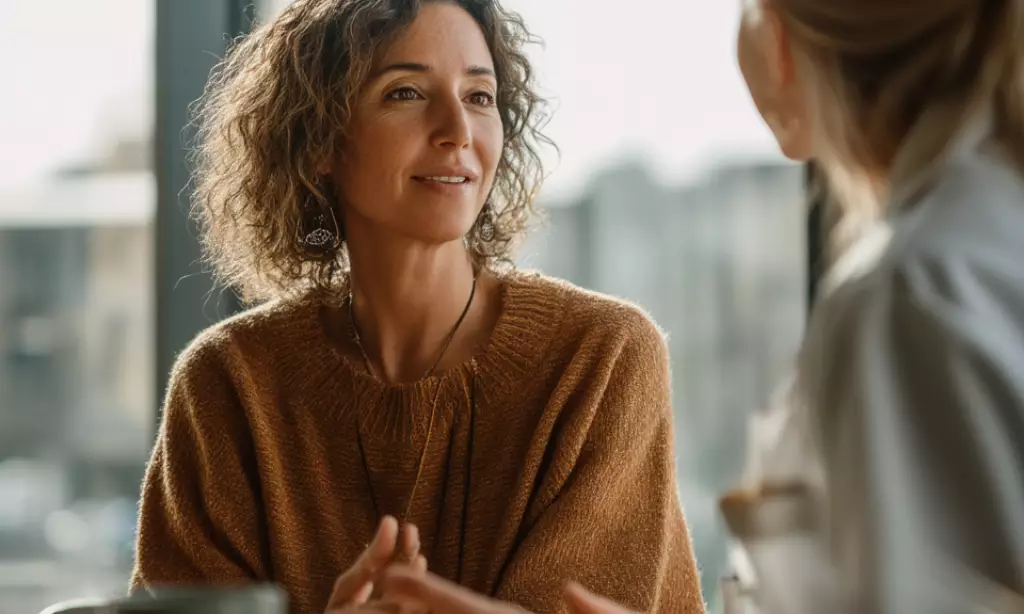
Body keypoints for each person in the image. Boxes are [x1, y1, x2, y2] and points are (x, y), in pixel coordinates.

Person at [376, 0, 1024, 612]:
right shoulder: (959, 258)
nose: (456, 129)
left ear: (777, 31)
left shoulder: (909, 294)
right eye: (404, 92)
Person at [129, 1, 706, 614]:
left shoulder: (603, 357)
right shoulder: (226, 384)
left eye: (480, 96)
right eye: (406, 92)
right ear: (320, 137)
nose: (458, 128)